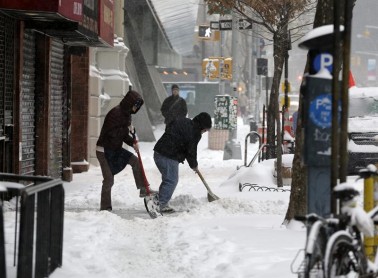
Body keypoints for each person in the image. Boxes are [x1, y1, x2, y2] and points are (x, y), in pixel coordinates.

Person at [96, 90, 157, 211]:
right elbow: (112, 133)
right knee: (109, 180)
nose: (136, 108)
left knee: (135, 161)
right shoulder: (115, 113)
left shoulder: (127, 115)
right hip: (104, 150)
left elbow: (123, 136)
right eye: (135, 105)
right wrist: (126, 128)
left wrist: (132, 142)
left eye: (137, 106)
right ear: (129, 103)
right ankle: (105, 208)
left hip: (116, 149)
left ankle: (143, 189)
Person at [153, 112, 212, 213]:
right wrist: (194, 165)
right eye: (205, 130)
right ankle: (160, 204)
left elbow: (170, 125)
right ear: (202, 126)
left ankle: (156, 200)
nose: (204, 132)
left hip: (159, 152)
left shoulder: (184, 121)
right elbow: (191, 151)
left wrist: (173, 141)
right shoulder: (195, 132)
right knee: (171, 180)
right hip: (168, 156)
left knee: (168, 180)